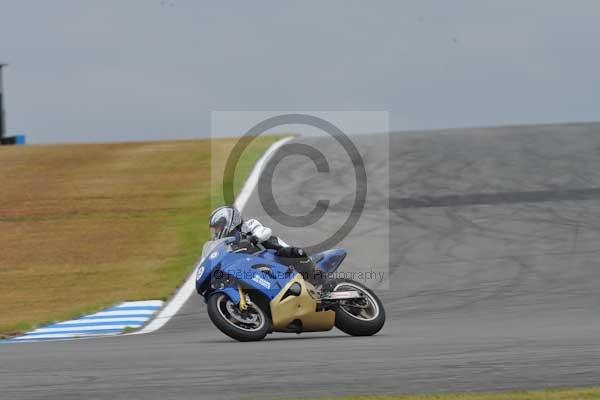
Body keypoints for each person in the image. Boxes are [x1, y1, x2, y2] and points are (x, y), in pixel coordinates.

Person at [208, 206, 321, 284]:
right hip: (257, 268)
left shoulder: (248, 225)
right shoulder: (227, 244)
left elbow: (265, 231)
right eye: (215, 229)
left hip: (276, 256)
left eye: (217, 227)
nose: (216, 231)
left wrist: (253, 239)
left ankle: (317, 275)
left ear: (228, 221)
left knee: (293, 253)